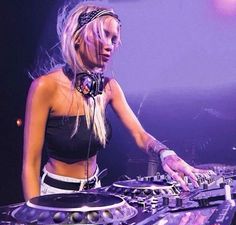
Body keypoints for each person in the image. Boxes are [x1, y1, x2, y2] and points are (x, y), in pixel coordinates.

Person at [22, 3, 212, 201]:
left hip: (95, 191)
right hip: (54, 195)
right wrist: (34, 216)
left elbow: (140, 135)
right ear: (78, 36)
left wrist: (166, 154)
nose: (109, 46)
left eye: (114, 40)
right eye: (103, 34)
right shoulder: (45, 87)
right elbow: (30, 164)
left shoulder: (109, 87)